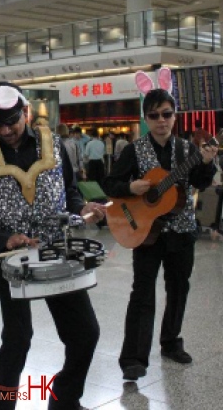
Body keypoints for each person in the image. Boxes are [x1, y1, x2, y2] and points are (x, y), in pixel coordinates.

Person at [0, 81, 106, 410]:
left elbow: (70, 194)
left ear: (25, 111)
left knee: (85, 333)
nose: (6, 130)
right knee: (18, 338)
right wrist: (4, 239)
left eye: (12, 120)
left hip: (56, 253)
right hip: (10, 263)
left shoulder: (54, 146)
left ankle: (64, 398)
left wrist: (82, 210)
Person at [102, 88, 217, 382]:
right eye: (154, 115)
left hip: (181, 233)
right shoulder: (133, 150)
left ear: (174, 116)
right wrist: (131, 188)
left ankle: (171, 343)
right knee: (142, 293)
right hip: (145, 233)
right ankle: (133, 359)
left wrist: (206, 162)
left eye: (166, 114)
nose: (161, 121)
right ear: (146, 119)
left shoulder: (187, 150)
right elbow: (111, 184)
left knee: (179, 289)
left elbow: (200, 183)